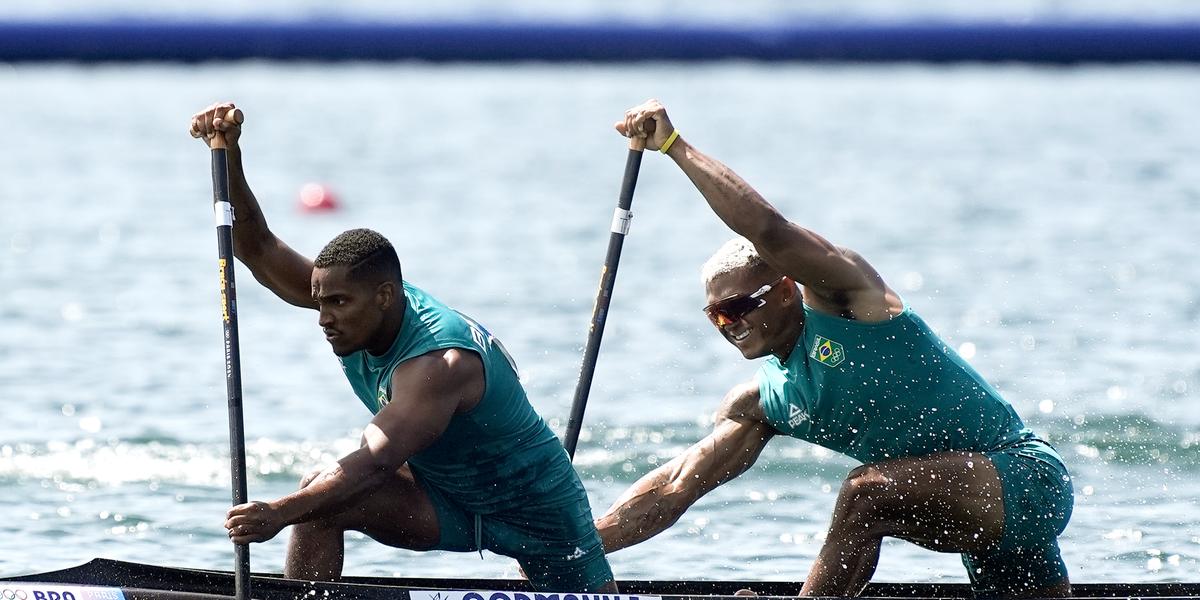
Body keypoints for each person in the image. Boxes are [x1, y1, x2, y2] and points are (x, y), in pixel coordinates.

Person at [594, 99, 1073, 598]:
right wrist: (572, 549)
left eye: (737, 307)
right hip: (964, 509)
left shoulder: (848, 301)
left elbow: (769, 230)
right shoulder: (760, 403)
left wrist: (674, 147)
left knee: (864, 493)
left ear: (785, 290)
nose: (727, 325)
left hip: (1023, 477)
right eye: (715, 314)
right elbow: (674, 490)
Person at [188, 102, 615, 592]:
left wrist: (276, 513)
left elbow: (375, 463)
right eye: (319, 302)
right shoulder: (358, 306)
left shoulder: (439, 362)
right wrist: (229, 154)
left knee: (309, 500)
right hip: (445, 498)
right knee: (321, 501)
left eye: (338, 304)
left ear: (385, 296)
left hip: (540, 515)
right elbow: (257, 246)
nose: (324, 318)